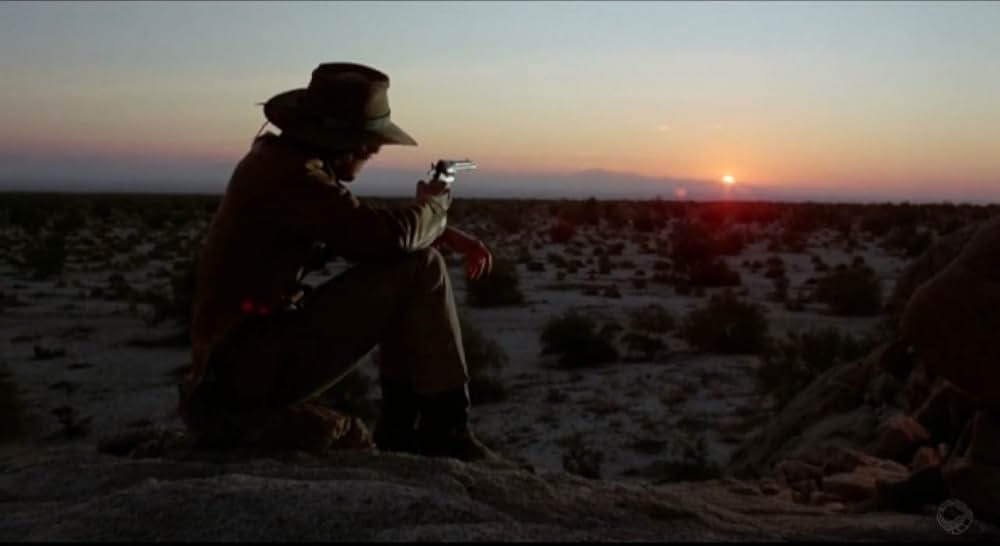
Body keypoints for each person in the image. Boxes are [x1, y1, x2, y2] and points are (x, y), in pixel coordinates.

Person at [177, 62, 500, 462]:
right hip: (246, 364)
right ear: (344, 140)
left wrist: (440, 228)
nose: (375, 150)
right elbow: (385, 236)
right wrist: (435, 204)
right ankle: (444, 433)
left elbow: (351, 221)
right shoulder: (293, 175)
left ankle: (403, 429)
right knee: (421, 269)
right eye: (369, 141)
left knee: (410, 265)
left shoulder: (282, 163)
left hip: (240, 358)